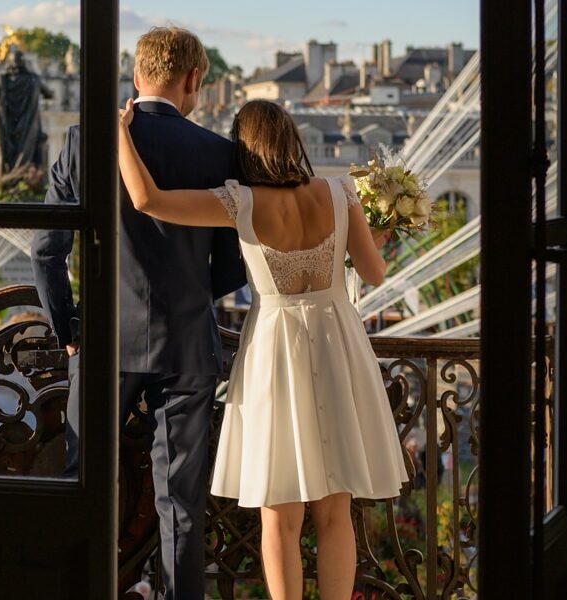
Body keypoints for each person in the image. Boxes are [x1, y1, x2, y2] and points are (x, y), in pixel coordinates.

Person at [115, 98, 410, 600]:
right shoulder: (341, 193)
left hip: (278, 352)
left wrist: (118, 133)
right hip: (340, 346)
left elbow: (147, 199)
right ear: (293, 138)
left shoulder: (240, 202)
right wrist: (370, 236)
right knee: (337, 512)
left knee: (280, 513)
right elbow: (376, 272)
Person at [32, 27, 246, 600]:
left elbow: (46, 250)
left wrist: (70, 328)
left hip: (106, 345)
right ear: (194, 79)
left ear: (135, 75)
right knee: (181, 506)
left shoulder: (83, 142)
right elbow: (231, 269)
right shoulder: (218, 153)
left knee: (87, 491)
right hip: (186, 347)